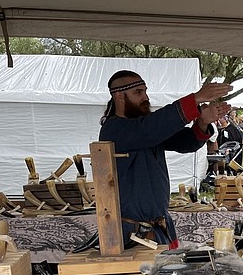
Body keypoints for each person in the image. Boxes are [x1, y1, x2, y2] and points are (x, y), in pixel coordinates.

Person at [98, 70, 231, 246]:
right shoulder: (114, 129)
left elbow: (186, 142)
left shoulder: (145, 129)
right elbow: (151, 128)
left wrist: (202, 122)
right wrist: (195, 99)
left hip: (158, 227)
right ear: (119, 96)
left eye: (145, 91)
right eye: (138, 92)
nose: (145, 97)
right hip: (132, 234)